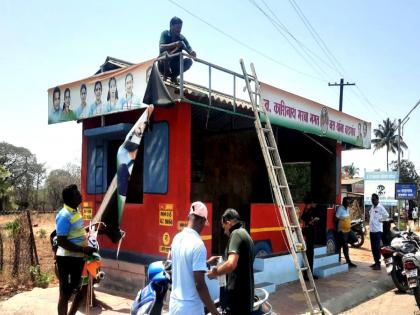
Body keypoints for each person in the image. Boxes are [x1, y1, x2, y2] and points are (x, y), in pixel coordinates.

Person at [168, 201, 220, 315]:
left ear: (189, 217)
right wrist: (215, 312)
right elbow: (200, 285)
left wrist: (205, 263)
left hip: (174, 305)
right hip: (190, 308)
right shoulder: (198, 245)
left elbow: (181, 264)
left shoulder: (177, 238)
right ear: (202, 221)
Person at [55, 184, 96, 315]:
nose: (80, 196)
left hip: (78, 258)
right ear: (70, 199)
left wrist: (91, 230)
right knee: (65, 294)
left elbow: (76, 232)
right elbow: (61, 241)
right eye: (77, 194)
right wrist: (83, 250)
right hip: (66, 260)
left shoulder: (75, 211)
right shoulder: (64, 215)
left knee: (82, 289)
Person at [207, 208, 254, 315]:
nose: (224, 232)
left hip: (236, 300)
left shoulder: (236, 234)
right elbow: (241, 264)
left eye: (224, 227)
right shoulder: (246, 234)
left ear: (229, 223)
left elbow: (231, 264)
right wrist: (222, 261)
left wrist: (215, 272)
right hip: (245, 299)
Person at [158, 16, 196, 83]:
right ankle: (165, 76)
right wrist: (175, 44)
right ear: (171, 26)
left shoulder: (182, 38)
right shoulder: (165, 34)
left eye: (180, 28)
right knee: (166, 54)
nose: (179, 30)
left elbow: (189, 49)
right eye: (177, 28)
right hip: (163, 65)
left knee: (189, 61)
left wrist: (192, 52)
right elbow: (161, 47)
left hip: (175, 66)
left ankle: (173, 76)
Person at [300, 195, 319, 280]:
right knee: (309, 254)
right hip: (309, 235)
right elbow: (306, 221)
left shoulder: (309, 210)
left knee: (310, 254)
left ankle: (309, 273)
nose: (316, 204)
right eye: (314, 203)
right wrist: (312, 221)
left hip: (310, 234)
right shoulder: (307, 211)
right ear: (311, 203)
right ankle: (307, 274)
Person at [369, 193, 389, 270]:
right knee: (373, 248)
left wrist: (381, 220)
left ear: (377, 199)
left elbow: (386, 215)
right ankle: (375, 262)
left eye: (374, 199)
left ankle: (378, 264)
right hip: (372, 230)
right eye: (372, 199)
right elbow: (370, 213)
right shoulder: (372, 207)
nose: (372, 201)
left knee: (377, 248)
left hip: (377, 231)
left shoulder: (380, 207)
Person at [335, 197, 357, 268]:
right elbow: (336, 218)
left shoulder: (347, 208)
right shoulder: (340, 209)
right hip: (342, 231)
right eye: (348, 202)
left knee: (355, 239)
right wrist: (341, 220)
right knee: (345, 246)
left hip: (348, 230)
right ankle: (348, 261)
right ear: (344, 202)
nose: (349, 204)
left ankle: (344, 243)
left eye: (349, 202)